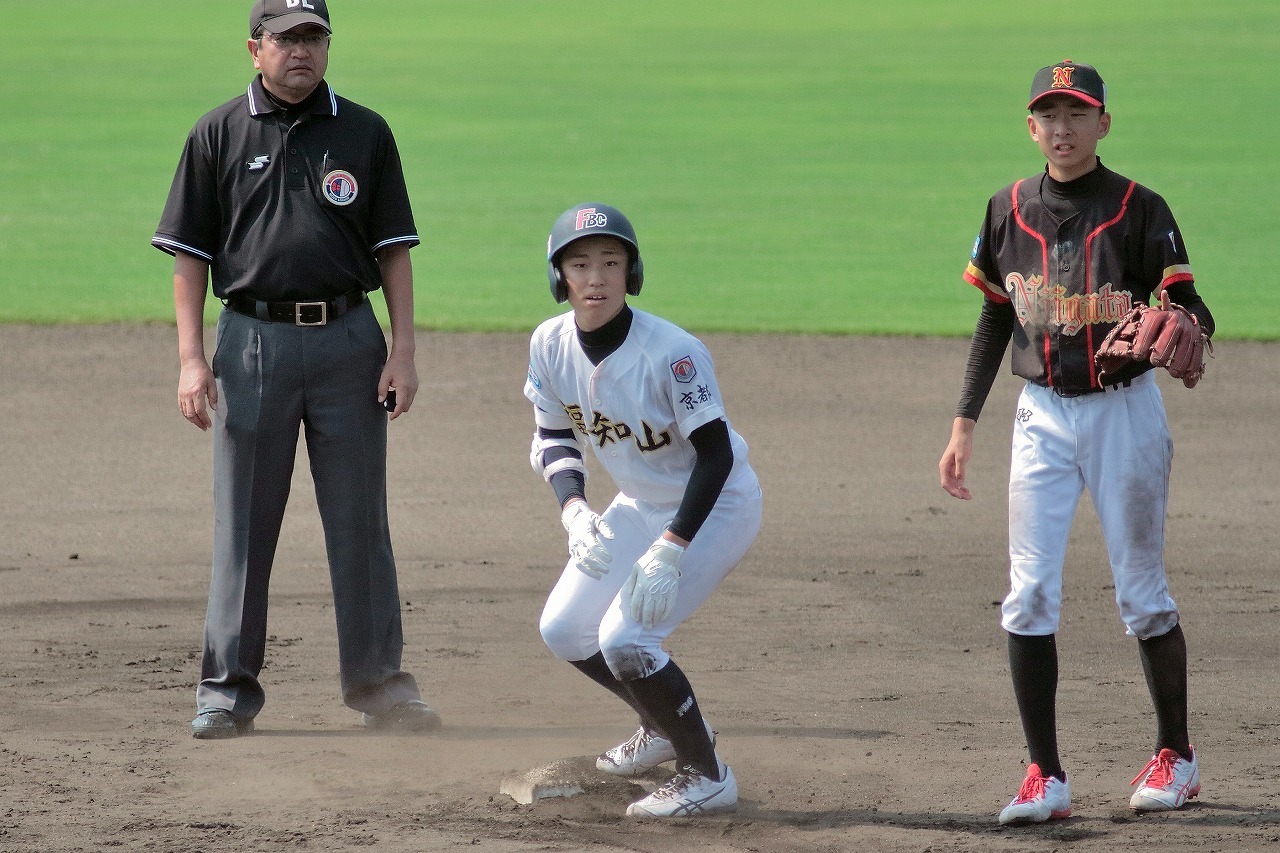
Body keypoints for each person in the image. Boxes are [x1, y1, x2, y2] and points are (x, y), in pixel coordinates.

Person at [152, 0, 439, 739]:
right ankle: (225, 691)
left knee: (359, 521)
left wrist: (403, 349)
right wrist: (190, 358)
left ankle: (382, 685)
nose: (301, 52)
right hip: (250, 343)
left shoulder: (365, 131)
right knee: (244, 524)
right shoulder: (217, 132)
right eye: (286, 40)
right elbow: (191, 257)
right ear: (255, 48)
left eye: (314, 38)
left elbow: (394, 250)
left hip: (349, 338)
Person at [937, 60, 1214, 824]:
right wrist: (965, 422)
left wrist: (1189, 328)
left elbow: (1190, 305)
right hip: (1041, 415)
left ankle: (1177, 756)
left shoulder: (1139, 207)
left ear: (1103, 124)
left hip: (1124, 414)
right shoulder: (1006, 209)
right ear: (1032, 127)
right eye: (1048, 115)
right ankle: (1045, 775)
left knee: (1142, 594)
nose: (1062, 128)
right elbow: (997, 315)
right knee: (1026, 594)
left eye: (1077, 113)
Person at [523, 203, 763, 817]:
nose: (596, 277)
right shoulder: (549, 345)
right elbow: (553, 435)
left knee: (628, 636)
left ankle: (707, 774)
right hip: (640, 502)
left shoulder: (675, 354)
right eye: (580, 264)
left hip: (715, 505)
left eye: (611, 262)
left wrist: (670, 548)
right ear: (560, 279)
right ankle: (660, 725)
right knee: (564, 628)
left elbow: (714, 458)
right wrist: (574, 510)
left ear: (632, 272)